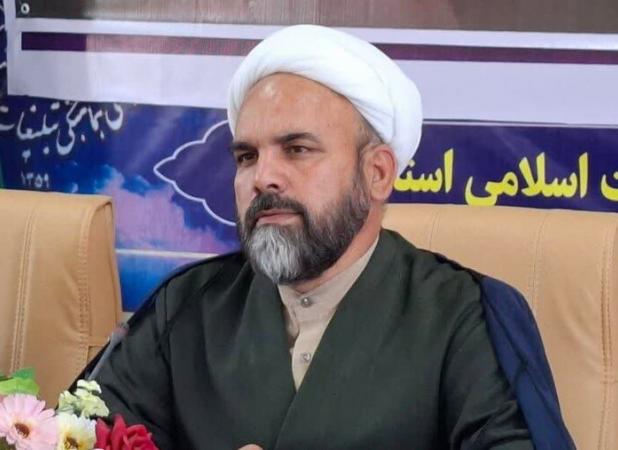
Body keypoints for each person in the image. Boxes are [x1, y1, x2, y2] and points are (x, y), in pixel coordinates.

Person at [91, 25, 563, 449]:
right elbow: (79, 434)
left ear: (377, 173)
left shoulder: (465, 316)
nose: (263, 177)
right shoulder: (184, 307)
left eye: (297, 149)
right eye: (247, 156)